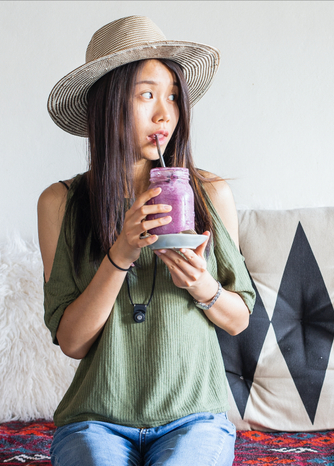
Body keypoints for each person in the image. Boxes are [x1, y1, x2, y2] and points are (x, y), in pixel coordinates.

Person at [37, 16, 255, 466]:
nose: (165, 114)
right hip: (95, 420)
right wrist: (120, 253)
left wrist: (202, 285)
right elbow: (73, 342)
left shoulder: (210, 194)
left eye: (172, 95)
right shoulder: (61, 202)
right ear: (108, 104)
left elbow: (238, 321)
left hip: (194, 417)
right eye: (147, 95)